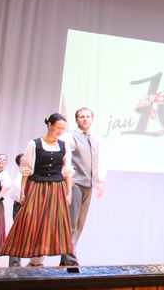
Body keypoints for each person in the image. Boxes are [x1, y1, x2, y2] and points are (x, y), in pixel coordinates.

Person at [2, 113, 74, 266]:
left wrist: (69, 192)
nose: (60, 131)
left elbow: (67, 171)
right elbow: (27, 170)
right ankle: (32, 260)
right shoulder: (34, 144)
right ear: (49, 125)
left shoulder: (64, 146)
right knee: (32, 222)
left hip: (56, 188)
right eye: (58, 127)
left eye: (63, 128)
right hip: (37, 187)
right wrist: (22, 191)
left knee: (51, 223)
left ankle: (39, 261)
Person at [60, 107, 106, 266]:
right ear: (76, 119)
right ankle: (71, 261)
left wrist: (101, 181)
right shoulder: (69, 136)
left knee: (79, 224)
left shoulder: (95, 139)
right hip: (75, 184)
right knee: (71, 223)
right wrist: (67, 176)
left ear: (92, 119)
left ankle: (65, 260)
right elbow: (62, 157)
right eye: (81, 117)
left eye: (88, 116)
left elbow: (99, 161)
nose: (85, 119)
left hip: (89, 184)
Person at [7, 153, 24, 267]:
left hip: (31, 205)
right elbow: (15, 193)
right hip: (20, 205)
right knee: (17, 234)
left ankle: (36, 263)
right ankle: (14, 264)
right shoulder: (20, 174)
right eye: (23, 160)